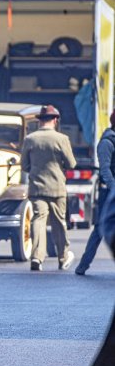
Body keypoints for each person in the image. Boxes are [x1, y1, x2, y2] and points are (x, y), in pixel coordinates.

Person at [21, 105, 77, 271]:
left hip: (37, 187)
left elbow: (24, 165)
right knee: (59, 222)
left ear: (40, 121)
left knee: (38, 220)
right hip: (57, 187)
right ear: (55, 120)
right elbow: (71, 164)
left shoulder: (30, 139)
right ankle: (63, 257)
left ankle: (37, 258)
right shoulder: (62, 139)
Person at [76, 110, 115, 275]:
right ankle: (83, 265)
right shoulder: (107, 142)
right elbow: (105, 170)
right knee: (99, 229)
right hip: (109, 193)